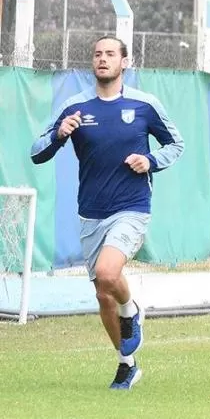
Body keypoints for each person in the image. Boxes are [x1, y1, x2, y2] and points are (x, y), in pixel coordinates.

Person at [30, 35, 185, 390]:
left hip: (131, 208)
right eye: (97, 54)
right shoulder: (75, 106)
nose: (103, 59)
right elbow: (37, 152)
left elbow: (176, 143)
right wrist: (59, 134)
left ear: (124, 62)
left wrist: (150, 160)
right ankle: (126, 363)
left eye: (110, 54)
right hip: (91, 213)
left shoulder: (144, 105)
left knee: (107, 272)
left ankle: (131, 310)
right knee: (102, 292)